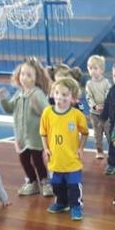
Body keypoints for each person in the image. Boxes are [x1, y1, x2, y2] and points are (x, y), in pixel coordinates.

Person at [0, 59, 53, 197]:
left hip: (35, 137)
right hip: (21, 137)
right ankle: (32, 182)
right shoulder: (19, 94)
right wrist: (3, 99)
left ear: (36, 78)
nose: (24, 77)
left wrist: (38, 107)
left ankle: (45, 182)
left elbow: (47, 112)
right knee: (24, 160)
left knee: (37, 161)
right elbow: (9, 109)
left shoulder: (37, 94)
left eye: (29, 75)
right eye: (22, 74)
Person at [40, 77, 89, 220]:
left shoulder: (77, 115)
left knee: (73, 185)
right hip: (55, 160)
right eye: (57, 93)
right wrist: (46, 148)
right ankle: (61, 203)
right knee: (56, 185)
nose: (60, 97)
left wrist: (81, 148)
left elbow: (85, 133)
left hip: (72, 160)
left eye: (64, 94)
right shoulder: (47, 113)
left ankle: (76, 206)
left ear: (73, 98)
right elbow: (43, 133)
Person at [85, 55, 111, 160]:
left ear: (102, 70)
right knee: (97, 133)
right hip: (94, 113)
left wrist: (105, 105)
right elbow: (89, 97)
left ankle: (112, 150)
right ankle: (99, 150)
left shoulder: (106, 82)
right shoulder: (89, 84)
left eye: (95, 68)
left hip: (106, 113)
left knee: (108, 131)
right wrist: (95, 106)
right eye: (90, 68)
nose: (93, 71)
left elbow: (108, 94)